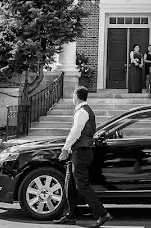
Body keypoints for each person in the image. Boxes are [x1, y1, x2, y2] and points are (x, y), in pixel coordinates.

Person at [54, 86, 112, 227]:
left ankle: (102, 214)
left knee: (82, 185)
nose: (72, 98)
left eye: (73, 95)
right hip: (79, 152)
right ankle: (70, 215)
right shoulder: (84, 111)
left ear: (76, 95)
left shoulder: (82, 112)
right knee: (70, 184)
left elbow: (75, 132)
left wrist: (65, 148)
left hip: (81, 152)